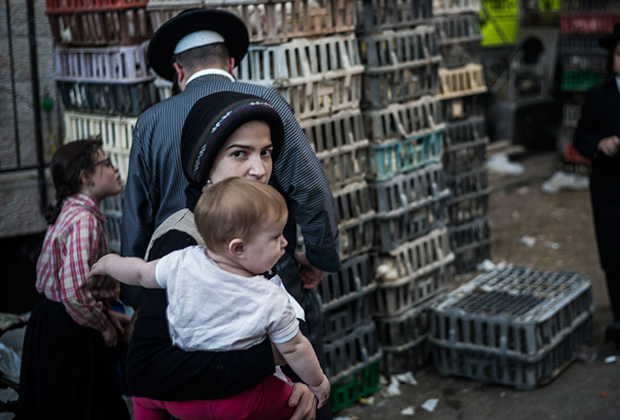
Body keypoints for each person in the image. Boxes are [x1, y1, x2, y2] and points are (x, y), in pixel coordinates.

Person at [121, 9, 340, 418]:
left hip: (176, 280)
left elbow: (136, 210)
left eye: (263, 154)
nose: (256, 168)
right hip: (265, 262)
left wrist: (137, 296)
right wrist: (319, 257)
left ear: (177, 71)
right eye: (239, 154)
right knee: (298, 389)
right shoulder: (265, 102)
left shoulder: (151, 121)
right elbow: (311, 187)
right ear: (232, 64)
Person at [91, 178, 331, 419]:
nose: (285, 242)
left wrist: (107, 264)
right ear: (238, 248)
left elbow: (140, 273)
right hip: (236, 401)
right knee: (296, 402)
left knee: (144, 399)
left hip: (175, 396)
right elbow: (296, 347)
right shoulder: (270, 298)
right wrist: (318, 383)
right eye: (276, 236)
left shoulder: (184, 260)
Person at [17, 139, 131, 419]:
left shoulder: (71, 209)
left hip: (56, 320)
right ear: (86, 177)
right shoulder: (83, 220)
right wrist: (102, 323)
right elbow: (74, 292)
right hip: (70, 328)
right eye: (106, 163)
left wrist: (104, 312)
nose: (116, 170)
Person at [573, 24, 620, 345]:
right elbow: (580, 137)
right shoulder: (597, 96)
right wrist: (600, 143)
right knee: (616, 256)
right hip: (610, 189)